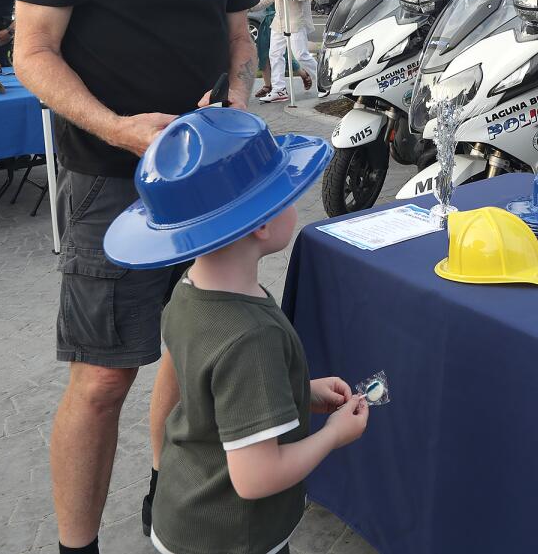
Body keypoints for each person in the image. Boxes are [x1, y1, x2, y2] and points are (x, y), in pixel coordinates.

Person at [12, 0, 258, 554]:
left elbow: (239, 39)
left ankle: (169, 502)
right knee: (103, 377)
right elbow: (33, 53)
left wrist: (242, 115)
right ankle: (74, 547)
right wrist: (119, 127)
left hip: (210, 186)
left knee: (192, 357)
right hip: (111, 182)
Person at [102, 108, 370, 554]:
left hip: (187, 510)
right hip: (232, 537)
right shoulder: (251, 336)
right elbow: (256, 477)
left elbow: (220, 392)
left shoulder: (189, 294)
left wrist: (297, 391)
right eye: (287, 192)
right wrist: (333, 435)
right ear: (261, 223)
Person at [258, 0, 316, 103]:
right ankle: (279, 90)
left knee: (301, 54)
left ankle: (326, 81)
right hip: (279, 21)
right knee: (274, 54)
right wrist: (251, 6)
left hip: (295, 20)